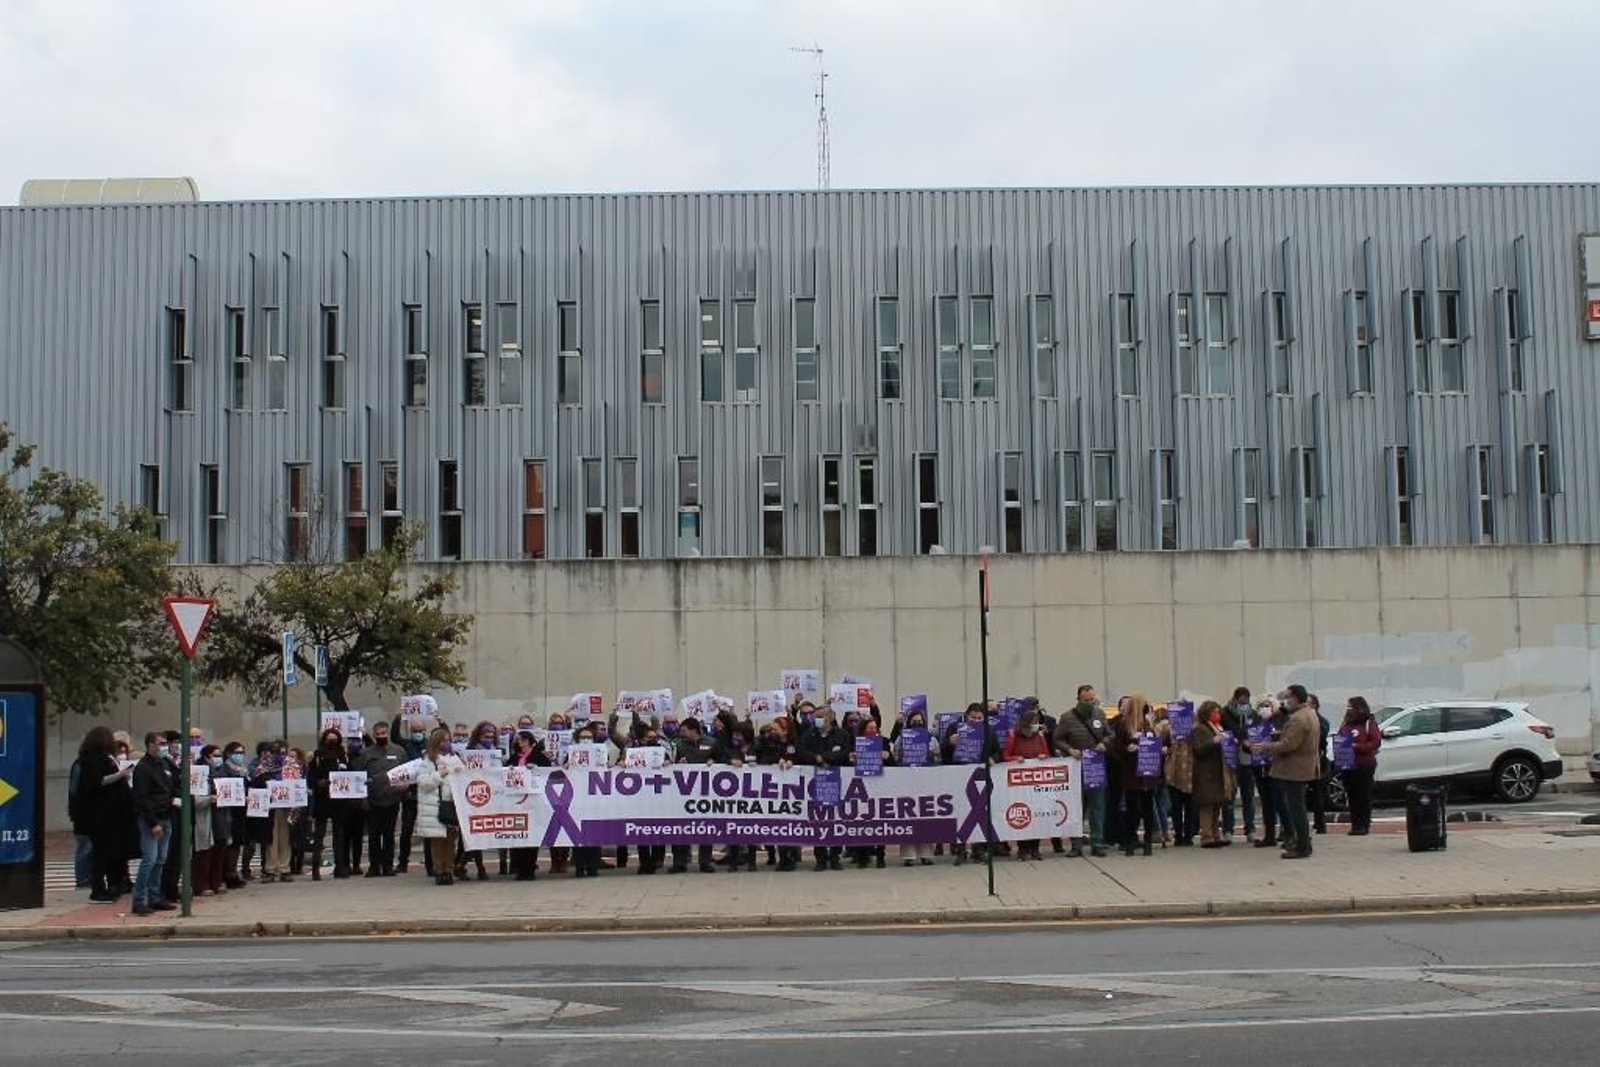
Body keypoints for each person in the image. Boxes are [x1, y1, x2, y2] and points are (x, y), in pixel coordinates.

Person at [1248, 685, 1320, 860]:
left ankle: (1302, 846)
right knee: (1297, 806)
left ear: (1296, 698)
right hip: (1303, 766)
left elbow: (1288, 744)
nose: (1285, 701)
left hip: (1294, 768)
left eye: (1288, 697)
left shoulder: (1298, 718)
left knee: (1297, 808)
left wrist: (1265, 746)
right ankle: (1302, 844)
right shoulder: (1310, 714)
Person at [75, 726, 133, 903]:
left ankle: (109, 885)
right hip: (99, 816)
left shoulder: (101, 758)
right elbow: (98, 781)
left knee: (106, 852)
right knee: (100, 853)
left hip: (107, 814)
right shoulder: (93, 760)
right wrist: (120, 775)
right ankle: (97, 889)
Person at [1053, 684, 1110, 857]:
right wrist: (1069, 750)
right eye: (1086, 700)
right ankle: (1076, 844)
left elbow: (1109, 734)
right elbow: (1057, 739)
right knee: (1077, 807)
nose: (1090, 702)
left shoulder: (1100, 714)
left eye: (1092, 699)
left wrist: (1104, 743)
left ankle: (1097, 842)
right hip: (1076, 768)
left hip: (1096, 767)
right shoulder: (1067, 717)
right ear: (1078, 699)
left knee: (1098, 807)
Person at [942, 703, 999, 866]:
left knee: (980, 812)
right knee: (960, 810)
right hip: (959, 774)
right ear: (966, 716)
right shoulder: (955, 727)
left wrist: (992, 759)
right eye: (973, 717)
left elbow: (997, 750)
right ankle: (960, 849)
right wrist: (950, 743)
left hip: (980, 774)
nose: (976, 720)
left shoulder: (988, 730)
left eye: (979, 718)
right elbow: (943, 751)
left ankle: (978, 850)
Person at [130, 731, 178, 915]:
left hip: (166, 816)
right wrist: (152, 822)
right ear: (150, 745)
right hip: (152, 819)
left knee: (160, 859)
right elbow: (141, 798)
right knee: (149, 859)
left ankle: (155, 897)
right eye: (161, 743)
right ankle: (139, 900)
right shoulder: (143, 768)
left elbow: (170, 787)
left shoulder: (163, 764)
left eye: (165, 743)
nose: (165, 746)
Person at [800, 705, 852, 871]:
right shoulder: (809, 734)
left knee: (837, 819)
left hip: (837, 778)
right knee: (818, 819)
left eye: (821, 716)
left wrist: (827, 757)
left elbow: (845, 752)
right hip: (816, 779)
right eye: (816, 716)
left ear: (830, 717)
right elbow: (801, 752)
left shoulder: (841, 734)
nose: (817, 719)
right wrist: (817, 758)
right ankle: (820, 858)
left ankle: (835, 856)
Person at [1114, 695, 1165, 856]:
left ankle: (1148, 841)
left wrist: (1160, 749)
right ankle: (1130, 841)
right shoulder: (1124, 725)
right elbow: (1118, 746)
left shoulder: (1148, 725)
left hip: (1148, 772)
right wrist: (1127, 749)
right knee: (1132, 809)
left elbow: (1155, 742)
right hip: (1132, 773)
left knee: (1148, 808)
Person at [358, 719, 409, 877]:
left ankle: (387, 866)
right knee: (373, 836)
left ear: (387, 733)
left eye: (383, 733)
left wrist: (404, 787)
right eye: (378, 734)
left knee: (388, 835)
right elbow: (360, 777)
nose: (381, 736)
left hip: (392, 800)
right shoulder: (365, 753)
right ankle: (374, 867)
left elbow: (407, 773)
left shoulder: (399, 751)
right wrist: (363, 799)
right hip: (373, 800)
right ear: (374, 735)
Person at [415, 727, 466, 885]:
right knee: (437, 842)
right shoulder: (428, 761)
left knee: (451, 841)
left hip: (450, 806)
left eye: (448, 740)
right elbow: (423, 783)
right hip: (435, 807)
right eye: (443, 740)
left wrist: (461, 772)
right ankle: (439, 870)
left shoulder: (455, 759)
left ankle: (448, 870)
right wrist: (439, 775)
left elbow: (463, 780)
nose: (447, 743)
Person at [669, 718, 717, 873]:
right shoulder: (680, 745)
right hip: (684, 791)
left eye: (684, 731)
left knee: (706, 826)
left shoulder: (711, 742)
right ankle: (680, 862)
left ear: (693, 730)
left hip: (707, 791)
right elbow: (673, 763)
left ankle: (705, 861)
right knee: (681, 827)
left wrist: (713, 761)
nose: (681, 734)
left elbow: (720, 758)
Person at [1003, 710, 1052, 860]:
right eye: (1033, 723)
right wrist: (1015, 758)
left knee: (1037, 814)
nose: (1035, 726)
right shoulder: (1014, 737)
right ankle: (1022, 849)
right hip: (1020, 785)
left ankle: (1035, 848)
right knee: (1022, 813)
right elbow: (1006, 755)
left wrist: (1044, 757)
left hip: (1036, 784)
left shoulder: (1040, 737)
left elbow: (1047, 754)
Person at [892, 708, 937, 867]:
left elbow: (938, 757)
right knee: (908, 817)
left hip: (926, 780)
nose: (917, 723)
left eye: (920, 721)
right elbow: (895, 757)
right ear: (909, 723)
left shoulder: (932, 739)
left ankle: (926, 853)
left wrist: (931, 755)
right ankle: (908, 855)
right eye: (914, 721)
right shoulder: (901, 739)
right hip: (907, 780)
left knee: (926, 817)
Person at [307, 728, 353, 880]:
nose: (332, 742)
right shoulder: (318, 756)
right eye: (329, 739)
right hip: (322, 801)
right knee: (319, 836)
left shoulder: (344, 756)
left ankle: (340, 868)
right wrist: (320, 783)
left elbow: (351, 775)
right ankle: (315, 868)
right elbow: (311, 778)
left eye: (335, 739)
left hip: (339, 802)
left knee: (339, 836)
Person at [505, 729, 550, 880]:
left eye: (523, 740)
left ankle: (530, 867)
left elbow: (547, 772)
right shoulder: (513, 758)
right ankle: (519, 868)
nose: (520, 742)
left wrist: (535, 769)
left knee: (532, 835)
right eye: (518, 740)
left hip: (533, 801)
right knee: (518, 834)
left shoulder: (539, 756)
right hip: (516, 801)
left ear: (530, 741)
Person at [1190, 702, 1235, 848]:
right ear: (1206, 713)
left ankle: (1216, 834)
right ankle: (1207, 837)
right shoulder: (1199, 729)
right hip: (1206, 772)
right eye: (1214, 712)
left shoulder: (1217, 727)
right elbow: (1198, 750)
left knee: (1217, 805)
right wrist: (1213, 742)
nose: (1218, 714)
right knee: (1207, 806)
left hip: (1217, 771)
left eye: (1218, 712)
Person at [1337, 696, 1383, 835]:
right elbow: (1341, 738)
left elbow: (1375, 742)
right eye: (1348, 706)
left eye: (1351, 706)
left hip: (1364, 765)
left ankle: (1364, 825)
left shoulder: (1369, 723)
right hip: (1349, 765)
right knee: (1352, 796)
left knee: (1363, 795)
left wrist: (1357, 746)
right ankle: (1355, 824)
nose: (1348, 709)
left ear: (1359, 708)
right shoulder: (1346, 723)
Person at [391, 713, 430, 874]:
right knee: (406, 830)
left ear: (425, 730)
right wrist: (398, 718)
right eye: (414, 730)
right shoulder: (406, 744)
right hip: (410, 794)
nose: (417, 732)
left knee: (428, 830)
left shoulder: (429, 744)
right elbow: (394, 736)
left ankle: (430, 862)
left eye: (420, 730)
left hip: (426, 792)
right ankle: (403, 862)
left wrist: (441, 723)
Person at [569, 722, 608, 878]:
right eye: (583, 737)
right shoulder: (570, 753)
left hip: (595, 797)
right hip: (576, 799)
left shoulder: (600, 752)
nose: (586, 740)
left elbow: (606, 769)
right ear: (577, 739)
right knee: (578, 835)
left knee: (594, 834)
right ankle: (579, 866)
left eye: (589, 737)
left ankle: (593, 866)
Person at [1220, 687, 1255, 841]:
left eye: (1246, 702)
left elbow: (1257, 731)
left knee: (1248, 797)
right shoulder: (1224, 713)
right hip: (1231, 760)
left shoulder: (1253, 714)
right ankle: (1228, 829)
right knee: (1229, 798)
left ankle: (1250, 828)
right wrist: (1241, 737)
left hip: (1248, 760)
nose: (1244, 705)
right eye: (1241, 702)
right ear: (1235, 699)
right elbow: (1228, 730)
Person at [1161, 706, 1197, 847]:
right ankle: (1178, 834)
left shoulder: (1194, 731)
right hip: (1173, 771)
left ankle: (1188, 834)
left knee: (1190, 805)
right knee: (1176, 806)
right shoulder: (1168, 731)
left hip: (1190, 771)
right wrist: (1164, 749)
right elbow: (1162, 745)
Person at [216, 742, 250, 888]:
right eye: (237, 753)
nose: (240, 756)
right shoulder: (224, 769)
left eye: (242, 753)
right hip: (229, 810)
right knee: (229, 843)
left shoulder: (242, 770)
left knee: (237, 842)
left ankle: (232, 872)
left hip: (241, 810)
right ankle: (227, 874)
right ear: (229, 754)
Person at [190, 744, 223, 896]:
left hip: (218, 818)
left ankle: (214, 882)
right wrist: (211, 799)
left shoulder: (218, 773)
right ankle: (200, 884)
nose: (218, 759)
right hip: (203, 818)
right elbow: (196, 800)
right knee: (202, 853)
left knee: (216, 852)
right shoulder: (199, 774)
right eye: (215, 755)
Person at [1307, 694, 1331, 835]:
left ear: (1315, 705)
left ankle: (1320, 824)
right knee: (1311, 794)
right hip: (1307, 760)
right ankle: (1318, 823)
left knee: (1318, 794)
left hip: (1318, 761)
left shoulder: (1320, 721)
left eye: (1308, 703)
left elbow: (1321, 739)